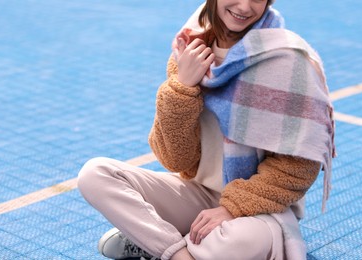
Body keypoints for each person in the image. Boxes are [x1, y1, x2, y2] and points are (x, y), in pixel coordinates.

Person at [78, 0, 336, 259]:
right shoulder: (189, 48)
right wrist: (182, 86)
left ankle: (157, 241)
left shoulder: (289, 61)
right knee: (95, 174)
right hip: (200, 195)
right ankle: (181, 251)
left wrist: (232, 208)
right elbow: (175, 159)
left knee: (243, 240)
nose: (244, 7)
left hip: (258, 210)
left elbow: (297, 168)